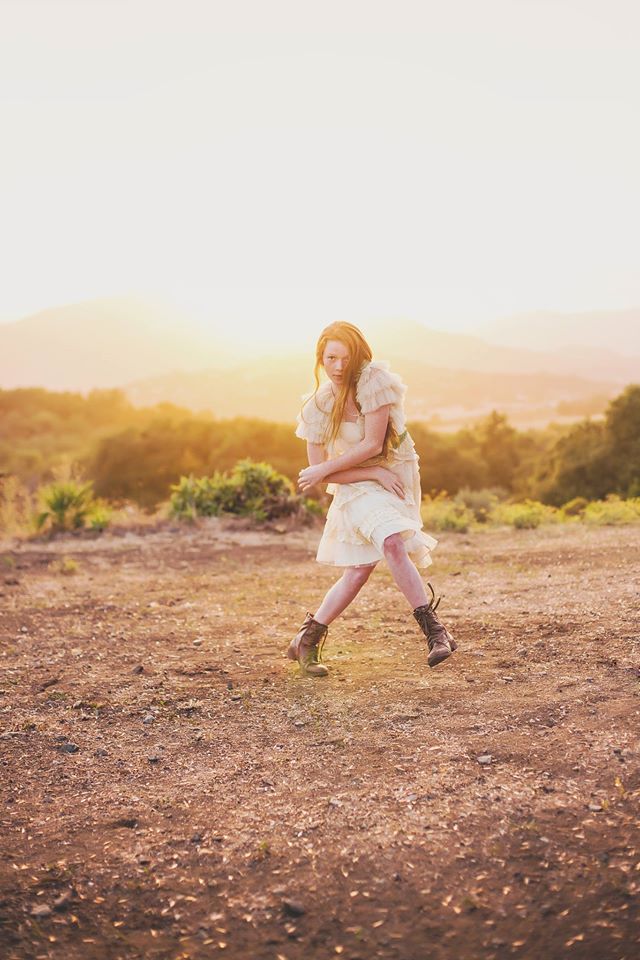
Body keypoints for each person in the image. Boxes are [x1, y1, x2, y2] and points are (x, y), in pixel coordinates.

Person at [287, 321, 457, 678]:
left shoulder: (373, 381)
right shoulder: (316, 407)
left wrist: (377, 471)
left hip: (394, 472)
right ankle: (436, 633)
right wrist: (368, 473)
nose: (337, 367)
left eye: (345, 359)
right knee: (393, 542)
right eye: (330, 358)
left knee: (360, 570)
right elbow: (323, 474)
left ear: (358, 358)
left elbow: (372, 446)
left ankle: (307, 637)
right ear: (320, 358)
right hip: (357, 484)